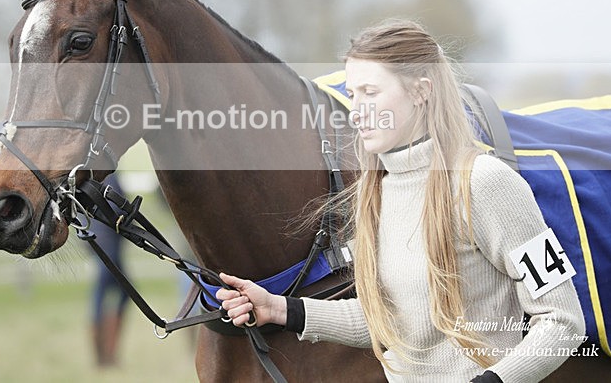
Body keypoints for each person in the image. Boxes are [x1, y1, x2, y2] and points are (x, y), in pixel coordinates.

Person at [217, 20, 585, 382]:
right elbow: (392, 321)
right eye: (352, 94)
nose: (357, 110)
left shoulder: (487, 183)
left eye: (370, 92)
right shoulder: (375, 191)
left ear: (420, 91)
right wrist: (278, 308)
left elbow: (563, 321)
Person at [89, 172, 130, 367]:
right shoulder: (108, 177)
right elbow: (119, 210)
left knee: (103, 295)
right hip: (109, 248)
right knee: (118, 294)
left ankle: (104, 353)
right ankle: (107, 353)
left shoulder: (88, 178)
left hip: (100, 247)